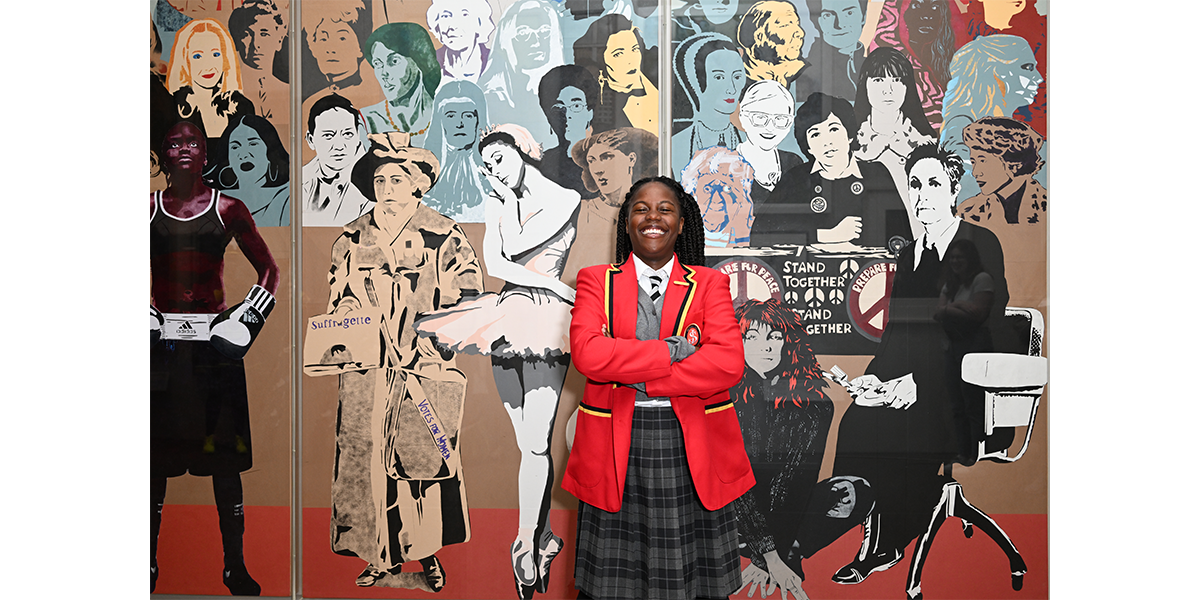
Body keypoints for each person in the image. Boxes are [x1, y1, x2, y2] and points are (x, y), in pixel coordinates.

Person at [564, 176, 754, 600]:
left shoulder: (709, 284)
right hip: (614, 447)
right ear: (626, 222)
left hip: (692, 447)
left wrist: (635, 370)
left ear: (682, 224)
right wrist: (674, 351)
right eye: (641, 209)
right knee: (612, 586)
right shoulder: (596, 281)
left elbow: (727, 364)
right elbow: (590, 356)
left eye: (665, 209)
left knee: (693, 584)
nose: (653, 218)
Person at [414, 125, 580, 600]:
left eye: (501, 159)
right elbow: (498, 266)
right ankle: (542, 537)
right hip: (506, 318)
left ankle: (525, 544)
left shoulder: (565, 198)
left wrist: (508, 206)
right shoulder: (499, 201)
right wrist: (504, 202)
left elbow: (527, 249)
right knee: (527, 446)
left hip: (547, 327)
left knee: (535, 444)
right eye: (487, 165)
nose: (493, 171)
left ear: (524, 152)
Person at [830, 142, 1008, 585]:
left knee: (894, 430)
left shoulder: (980, 243)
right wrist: (874, 381)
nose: (923, 193)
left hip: (960, 391)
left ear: (953, 188)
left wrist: (919, 384)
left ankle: (887, 542)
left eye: (933, 183)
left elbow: (984, 333)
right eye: (915, 184)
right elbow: (897, 336)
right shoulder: (908, 254)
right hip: (909, 385)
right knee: (857, 420)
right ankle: (870, 530)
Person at [325, 132, 482, 591]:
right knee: (365, 463)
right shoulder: (351, 237)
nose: (386, 187)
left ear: (418, 184)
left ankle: (425, 554)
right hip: (368, 373)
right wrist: (351, 322)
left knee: (420, 465)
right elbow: (338, 297)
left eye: (397, 178)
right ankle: (378, 555)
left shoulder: (443, 233)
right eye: (379, 179)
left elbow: (468, 295)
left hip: (422, 368)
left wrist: (436, 342)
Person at [151, 121, 280, 596]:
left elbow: (268, 268)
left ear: (205, 153)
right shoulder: (146, 210)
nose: (182, 150)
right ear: (162, 155)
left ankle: (235, 566)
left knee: (224, 464)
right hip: (161, 348)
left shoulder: (227, 207)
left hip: (214, 349)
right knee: (151, 466)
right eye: (173, 144)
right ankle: (145, 565)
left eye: (191, 143)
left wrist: (247, 319)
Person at [727, 299, 845, 599]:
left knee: (854, 490)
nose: (764, 347)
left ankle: (784, 546)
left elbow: (796, 483)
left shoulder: (815, 406)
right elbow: (732, 479)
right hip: (733, 509)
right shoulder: (724, 397)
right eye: (751, 337)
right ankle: (785, 549)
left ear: (789, 343)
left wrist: (771, 552)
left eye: (774, 337)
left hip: (781, 513)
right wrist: (768, 554)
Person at [751, 92, 909, 248]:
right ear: (808, 147)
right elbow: (761, 235)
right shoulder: (795, 179)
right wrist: (827, 235)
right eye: (815, 135)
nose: (826, 142)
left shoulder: (876, 174)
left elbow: (903, 239)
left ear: (849, 135)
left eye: (833, 130)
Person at [940, 34, 1044, 200]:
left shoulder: (1009, 127)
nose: (1039, 78)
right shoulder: (960, 129)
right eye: (1028, 67)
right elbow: (970, 188)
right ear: (997, 71)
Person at [853, 47, 938, 237]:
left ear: (907, 87)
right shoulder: (850, 145)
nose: (888, 90)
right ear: (864, 86)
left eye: (897, 81)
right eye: (878, 80)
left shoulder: (928, 145)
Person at [934, 238, 996, 464]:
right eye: (952, 257)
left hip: (974, 348)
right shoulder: (951, 285)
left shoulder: (982, 279)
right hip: (952, 348)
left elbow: (979, 314)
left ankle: (976, 455)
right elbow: (937, 313)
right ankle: (963, 453)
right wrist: (960, 307)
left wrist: (949, 308)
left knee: (974, 404)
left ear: (970, 258)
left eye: (960, 256)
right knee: (956, 405)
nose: (955, 261)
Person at [480, 0, 567, 150]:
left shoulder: (565, 91)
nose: (536, 41)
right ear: (506, 38)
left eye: (545, 31)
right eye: (523, 33)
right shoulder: (491, 94)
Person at [870, 0, 960, 130]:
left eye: (935, 7)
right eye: (916, 6)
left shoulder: (955, 64)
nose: (926, 16)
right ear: (899, 13)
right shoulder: (888, 65)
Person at [167, 19, 255, 147]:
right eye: (198, 56)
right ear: (185, 61)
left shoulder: (242, 106)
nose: (208, 65)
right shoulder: (172, 106)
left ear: (225, 58)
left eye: (216, 54)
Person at [672, 33, 747, 177]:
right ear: (694, 81)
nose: (731, 88)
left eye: (737, 77)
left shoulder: (749, 143)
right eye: (719, 77)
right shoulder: (674, 146)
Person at [573, 14, 660, 136]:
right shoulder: (596, 96)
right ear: (601, 60)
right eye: (618, 54)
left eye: (635, 49)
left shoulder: (659, 85)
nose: (631, 60)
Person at [955, 116, 1046, 226]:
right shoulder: (967, 212)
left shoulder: (1046, 207)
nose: (975, 173)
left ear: (1012, 162)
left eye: (983, 161)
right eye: (973, 162)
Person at [359, 23, 441, 143]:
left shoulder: (444, 115)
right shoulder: (367, 120)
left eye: (393, 61)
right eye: (377, 64)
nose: (384, 73)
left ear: (419, 61)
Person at [423, 80, 490, 222]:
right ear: (440, 120)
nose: (459, 124)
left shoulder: (496, 169)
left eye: (468, 115)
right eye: (451, 116)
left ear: (479, 120)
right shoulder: (423, 172)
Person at [207, 114, 290, 227]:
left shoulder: (287, 195)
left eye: (253, 144)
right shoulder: (213, 199)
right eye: (235, 147)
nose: (243, 154)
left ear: (270, 151)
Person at [301, 94, 371, 227]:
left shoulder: (374, 182)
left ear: (358, 136)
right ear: (311, 140)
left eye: (347, 134)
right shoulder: (298, 180)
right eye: (328, 136)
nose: (339, 146)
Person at [572, 127, 660, 230]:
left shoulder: (655, 210)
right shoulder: (581, 211)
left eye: (606, 157)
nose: (597, 170)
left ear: (631, 159)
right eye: (591, 161)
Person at [735, 79, 803, 207]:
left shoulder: (794, 162)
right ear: (743, 118)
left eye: (780, 119)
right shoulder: (725, 165)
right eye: (760, 118)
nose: (770, 127)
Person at [228, 2, 289, 137]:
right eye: (247, 34)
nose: (256, 44)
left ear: (279, 40)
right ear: (236, 41)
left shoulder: (289, 93)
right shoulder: (228, 95)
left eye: (264, 33)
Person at [539, 64, 600, 198]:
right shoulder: (545, 163)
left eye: (576, 106)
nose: (567, 115)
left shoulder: (605, 160)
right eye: (558, 108)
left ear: (590, 112)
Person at [793, 0, 868, 103]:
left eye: (849, 13)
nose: (839, 24)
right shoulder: (802, 72)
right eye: (828, 15)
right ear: (818, 21)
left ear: (863, 17)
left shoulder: (875, 69)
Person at [681, 146, 755, 247]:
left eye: (727, 189)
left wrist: (742, 231)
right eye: (707, 189)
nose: (717, 199)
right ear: (693, 192)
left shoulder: (751, 228)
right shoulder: (681, 230)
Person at [737, 1, 807, 87]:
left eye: (797, 24)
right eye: (785, 25)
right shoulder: (733, 77)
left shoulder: (804, 73)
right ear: (759, 37)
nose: (800, 33)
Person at [427, 0, 495, 83]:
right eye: (446, 16)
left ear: (480, 23)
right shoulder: (428, 65)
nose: (453, 26)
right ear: (437, 27)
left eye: (464, 15)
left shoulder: (495, 63)